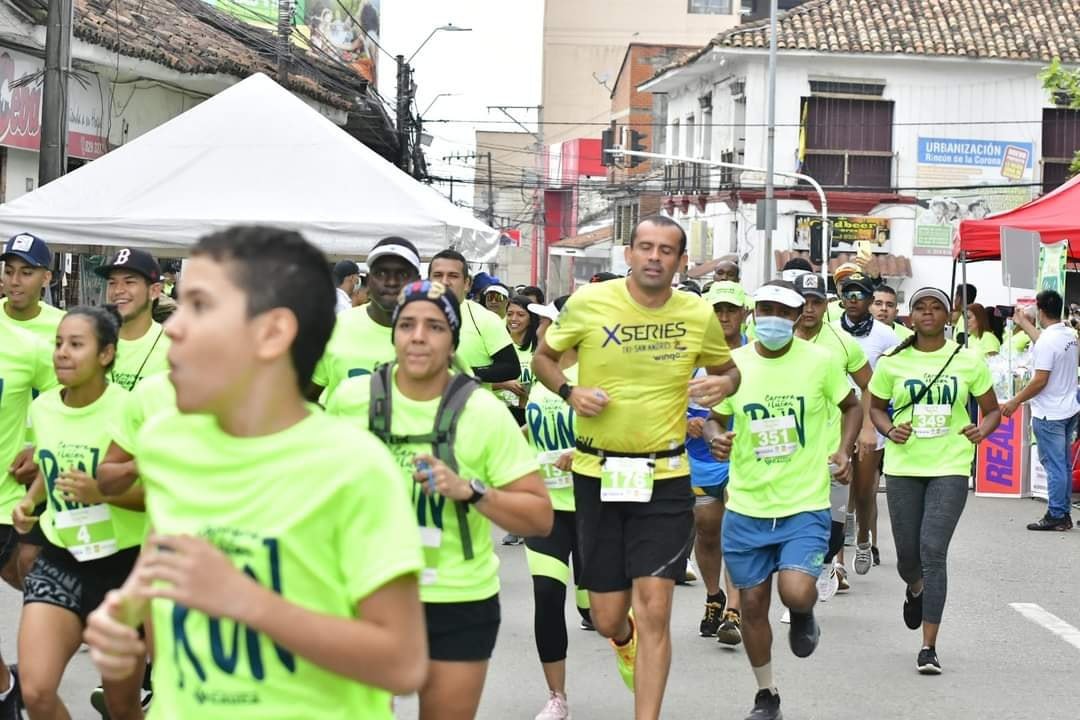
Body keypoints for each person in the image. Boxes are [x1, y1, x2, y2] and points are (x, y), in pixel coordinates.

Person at [83, 226, 428, 718]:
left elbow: (402, 663)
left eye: (200, 307)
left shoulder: (354, 469)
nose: (174, 328)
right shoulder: (165, 441)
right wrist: (123, 621)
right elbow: (161, 568)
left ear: (272, 333)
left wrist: (247, 601)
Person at [532, 215, 739, 720]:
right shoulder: (589, 302)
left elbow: (727, 369)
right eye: (645, 247)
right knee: (607, 616)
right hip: (597, 474)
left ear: (681, 261)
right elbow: (543, 358)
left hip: (665, 477)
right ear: (629, 253)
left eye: (666, 250)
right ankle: (623, 642)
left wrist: (725, 384)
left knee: (655, 608)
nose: (654, 257)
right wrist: (570, 391)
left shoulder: (696, 312)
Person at [327, 279, 552, 720]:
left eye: (434, 326)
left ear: (453, 340)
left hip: (457, 596)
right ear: (393, 333)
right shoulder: (351, 401)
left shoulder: (483, 413)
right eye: (406, 324)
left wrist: (470, 491)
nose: (418, 336)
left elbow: (539, 517)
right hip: (367, 592)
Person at [705, 281, 860, 720]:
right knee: (753, 605)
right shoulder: (733, 365)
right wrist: (716, 439)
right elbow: (715, 419)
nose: (773, 318)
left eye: (782, 311)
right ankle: (766, 694)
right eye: (766, 310)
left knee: (795, 590)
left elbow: (852, 405)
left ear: (795, 317)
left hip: (803, 501)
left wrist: (844, 450)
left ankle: (803, 611)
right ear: (754, 314)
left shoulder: (820, 362)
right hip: (746, 505)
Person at [12, 305, 148, 720]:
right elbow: (52, 462)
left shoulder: (131, 409)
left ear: (106, 354)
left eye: (75, 344)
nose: (62, 353)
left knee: (122, 706)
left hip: (123, 569)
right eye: (58, 344)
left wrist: (101, 494)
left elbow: (157, 492)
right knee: (37, 692)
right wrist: (30, 500)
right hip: (60, 560)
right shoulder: (44, 408)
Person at [868, 287, 1001, 673]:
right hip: (904, 467)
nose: (928, 313)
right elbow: (875, 407)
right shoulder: (892, 362)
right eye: (920, 308)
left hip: (950, 465)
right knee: (908, 559)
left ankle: (929, 646)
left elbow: (992, 410)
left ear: (948, 316)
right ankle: (915, 588)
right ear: (910, 318)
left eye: (936, 308)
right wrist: (889, 430)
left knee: (933, 550)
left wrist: (981, 430)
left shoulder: (968, 360)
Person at [519, 294, 591, 720]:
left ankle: (626, 638)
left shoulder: (593, 376)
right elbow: (537, 426)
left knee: (597, 611)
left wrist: (581, 455)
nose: (541, 330)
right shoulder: (540, 375)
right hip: (544, 508)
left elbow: (621, 437)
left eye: (548, 323)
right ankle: (556, 696)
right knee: (546, 596)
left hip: (591, 508)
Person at [793, 272, 874, 595]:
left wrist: (866, 429)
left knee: (832, 530)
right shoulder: (778, 339)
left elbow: (869, 386)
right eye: (803, 302)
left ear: (827, 305)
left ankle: (829, 563)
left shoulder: (842, 342)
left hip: (832, 449)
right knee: (798, 524)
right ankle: (800, 590)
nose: (809, 309)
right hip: (790, 451)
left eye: (816, 302)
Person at [0, 318, 54, 717]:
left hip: (6, 499)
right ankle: (7, 688)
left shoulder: (24, 346)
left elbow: (68, 391)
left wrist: (38, 444)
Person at [689, 282, 747, 645]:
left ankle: (734, 611)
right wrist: (685, 423)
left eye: (731, 310)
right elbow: (665, 400)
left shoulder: (754, 354)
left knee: (736, 531)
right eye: (717, 310)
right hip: (700, 456)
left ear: (744, 313)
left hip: (745, 457)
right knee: (707, 529)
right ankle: (714, 596)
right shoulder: (691, 355)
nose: (724, 317)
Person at [836, 270, 899, 575]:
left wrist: (871, 426)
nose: (853, 299)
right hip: (836, 419)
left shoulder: (887, 336)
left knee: (864, 490)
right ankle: (835, 563)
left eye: (859, 294)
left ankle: (863, 538)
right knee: (836, 490)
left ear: (870, 300)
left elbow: (891, 380)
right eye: (847, 294)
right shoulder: (832, 331)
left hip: (869, 421)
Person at [1002, 290, 1080, 531]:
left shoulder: (1048, 341)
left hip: (1049, 413)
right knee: (1062, 464)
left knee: (1055, 466)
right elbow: (1044, 342)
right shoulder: (1069, 334)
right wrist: (1024, 323)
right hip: (1067, 408)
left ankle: (1057, 513)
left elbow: (1040, 380)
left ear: (1041, 310)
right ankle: (1062, 512)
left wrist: (1015, 401)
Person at [309, 237, 421, 402]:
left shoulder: (435, 334)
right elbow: (306, 398)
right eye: (381, 273)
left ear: (418, 281)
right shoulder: (337, 326)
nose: (391, 282)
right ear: (368, 280)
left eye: (402, 274)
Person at [429, 250, 520, 384]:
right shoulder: (411, 316)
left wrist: (464, 374)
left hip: (470, 396)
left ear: (467, 284)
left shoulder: (485, 319)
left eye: (453, 276)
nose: (445, 282)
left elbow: (511, 367)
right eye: (438, 275)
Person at [495, 295, 542, 546]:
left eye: (520, 315)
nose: (514, 319)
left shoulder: (539, 346)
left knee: (529, 469)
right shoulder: (498, 343)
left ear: (531, 319)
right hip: (501, 412)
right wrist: (504, 384)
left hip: (531, 413)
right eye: (510, 313)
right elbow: (480, 378)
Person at [94, 249, 171, 391]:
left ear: (154, 291)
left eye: (129, 282)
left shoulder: (174, 349)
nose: (118, 290)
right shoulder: (92, 341)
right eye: (112, 283)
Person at [1, 234, 64, 346]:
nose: (14, 281)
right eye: (8, 272)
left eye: (26, 273)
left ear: (46, 278)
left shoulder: (65, 326)